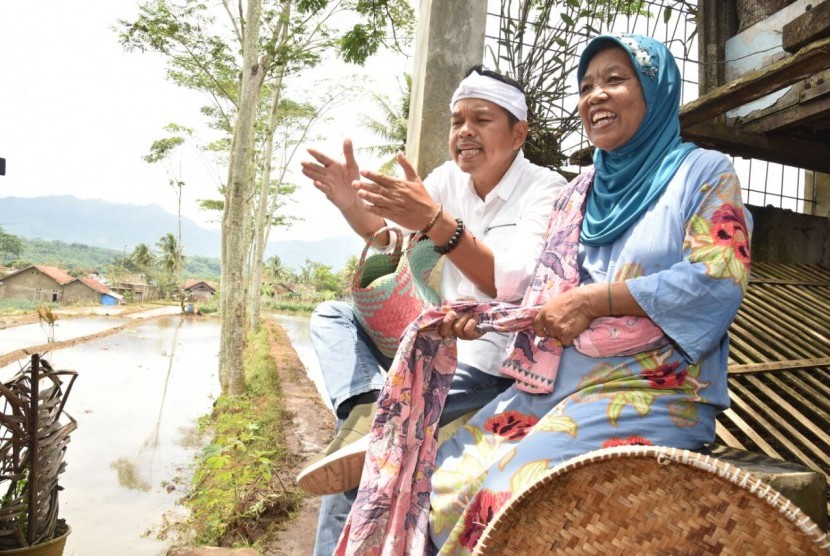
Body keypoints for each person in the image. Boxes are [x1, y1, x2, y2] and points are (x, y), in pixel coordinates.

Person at [333, 34, 753, 555]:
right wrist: (478, 317)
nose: (595, 95)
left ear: (655, 90)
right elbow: (540, 292)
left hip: (652, 389)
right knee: (441, 482)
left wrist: (596, 301)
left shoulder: (703, 173)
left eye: (615, 80)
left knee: (501, 495)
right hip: (557, 385)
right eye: (586, 86)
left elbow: (719, 276)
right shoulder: (581, 191)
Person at [298, 66, 568, 555]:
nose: (464, 132)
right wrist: (347, 203)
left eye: (480, 119)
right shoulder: (448, 180)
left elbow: (513, 279)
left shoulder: (546, 190)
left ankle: (374, 419)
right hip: (433, 343)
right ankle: (365, 401)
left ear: (519, 133)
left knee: (367, 457)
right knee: (331, 316)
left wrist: (437, 222)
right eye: (457, 120)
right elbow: (390, 238)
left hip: (487, 363)